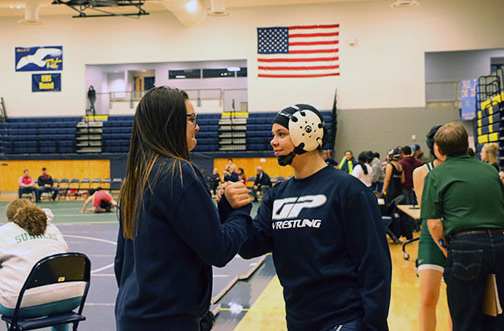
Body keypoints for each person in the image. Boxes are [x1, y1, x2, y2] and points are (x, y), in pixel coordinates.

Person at [221, 104, 391, 330]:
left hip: (345, 319)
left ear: (307, 133)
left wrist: (372, 324)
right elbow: (250, 247)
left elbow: (374, 263)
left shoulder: (349, 190)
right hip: (299, 320)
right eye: (274, 135)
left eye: (281, 134)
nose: (273, 142)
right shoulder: (277, 195)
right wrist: (233, 207)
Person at [114, 86, 252, 331]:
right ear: (171, 124)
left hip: (133, 316)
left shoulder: (136, 178)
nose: (197, 126)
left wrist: (221, 210)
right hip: (168, 321)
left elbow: (121, 262)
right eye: (192, 119)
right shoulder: (179, 174)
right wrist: (239, 211)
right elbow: (218, 250)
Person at [421, 122, 504, 330]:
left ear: (438, 150)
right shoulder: (490, 171)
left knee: (466, 317)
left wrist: (448, 251)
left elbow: (433, 224)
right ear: (467, 144)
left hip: (465, 246)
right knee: (498, 314)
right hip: (500, 244)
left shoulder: (435, 175)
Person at [0, 200, 81, 331]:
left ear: (10, 219)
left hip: (22, 304)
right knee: (56, 286)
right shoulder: (52, 228)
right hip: (71, 298)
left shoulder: (4, 232)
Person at [412, 125, 451, 331]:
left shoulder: (463, 168)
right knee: (428, 297)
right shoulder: (422, 171)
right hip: (431, 233)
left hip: (458, 232)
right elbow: (426, 208)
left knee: (457, 298)